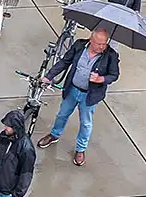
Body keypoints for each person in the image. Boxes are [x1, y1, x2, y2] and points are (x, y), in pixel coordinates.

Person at [39, 26, 120, 167]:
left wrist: (101, 79)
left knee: (85, 123)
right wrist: (49, 76)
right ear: (91, 40)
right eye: (99, 43)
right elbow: (65, 61)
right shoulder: (79, 45)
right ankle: (54, 135)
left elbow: (114, 75)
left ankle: (80, 149)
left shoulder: (111, 56)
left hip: (89, 95)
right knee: (62, 114)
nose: (102, 47)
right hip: (72, 90)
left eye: (104, 44)